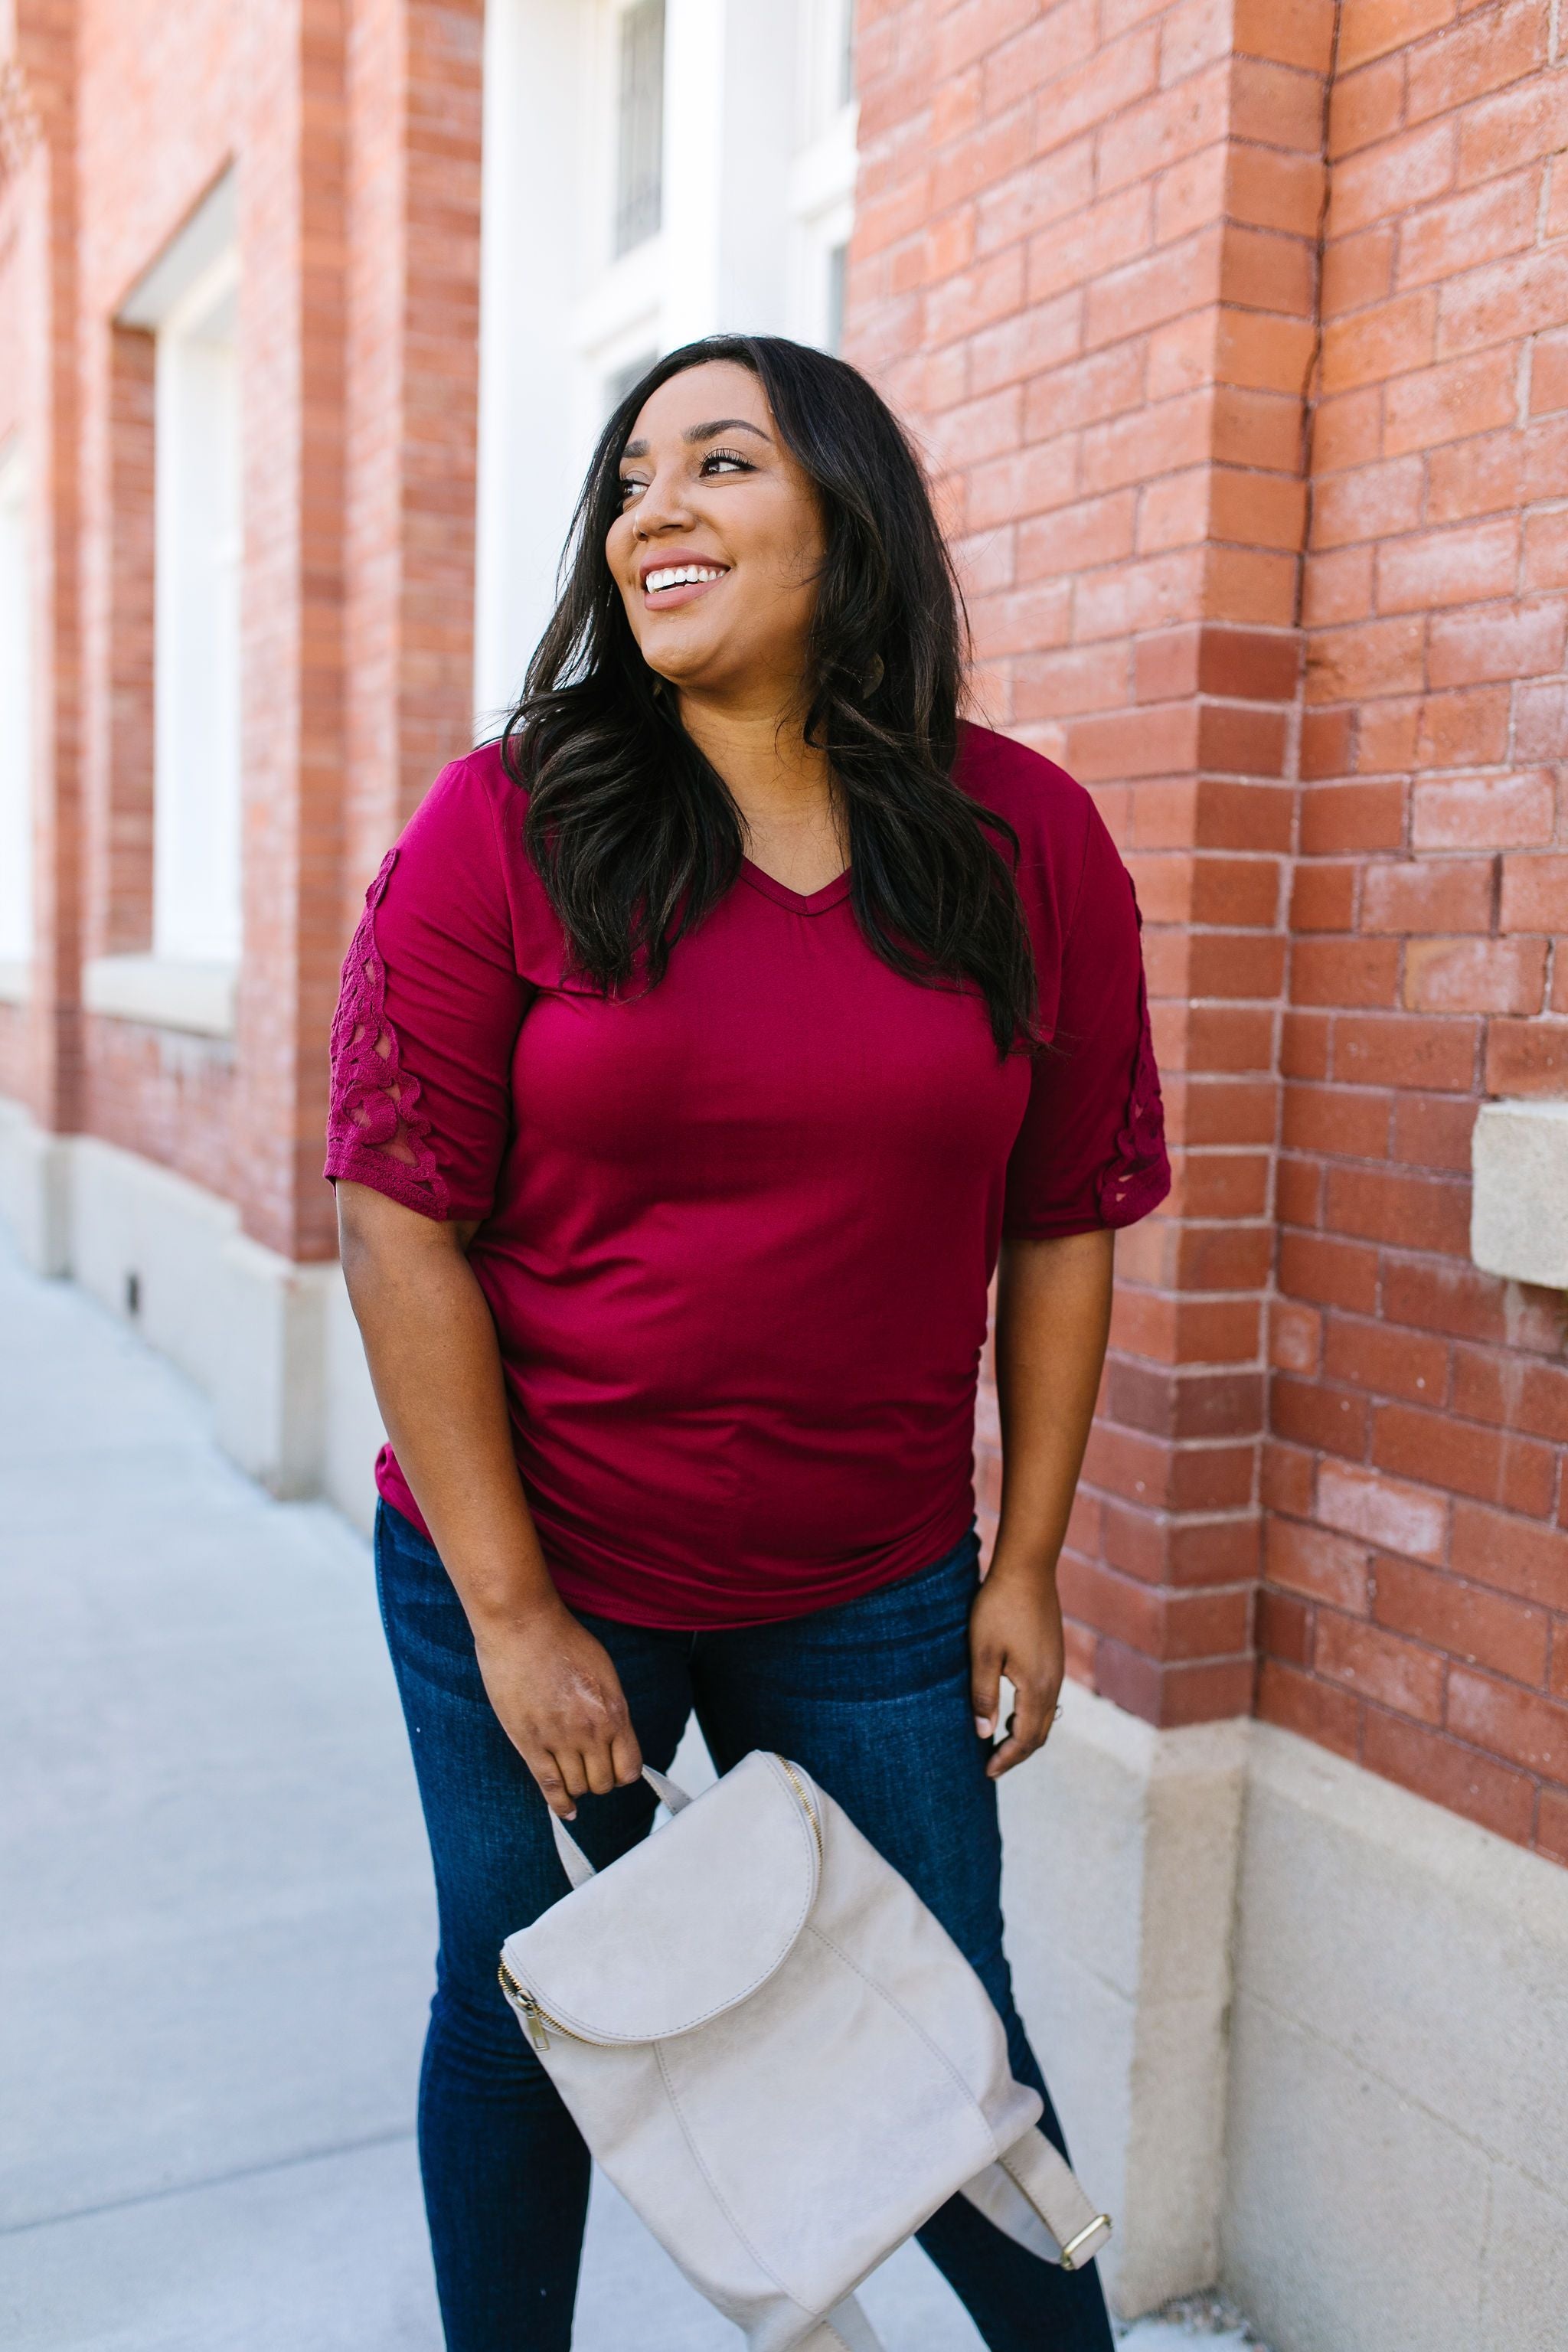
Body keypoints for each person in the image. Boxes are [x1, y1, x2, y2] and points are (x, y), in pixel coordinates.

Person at [327, 332, 1168, 2352]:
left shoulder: (1022, 841)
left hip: (867, 1583)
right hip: (535, 1567)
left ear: (847, 519)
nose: (655, 514)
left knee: (941, 2020)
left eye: (719, 465)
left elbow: (1064, 1215)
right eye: (628, 481)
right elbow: (393, 1215)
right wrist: (519, 1616)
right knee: (533, 1996)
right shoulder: (509, 818)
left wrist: (1030, 1564)